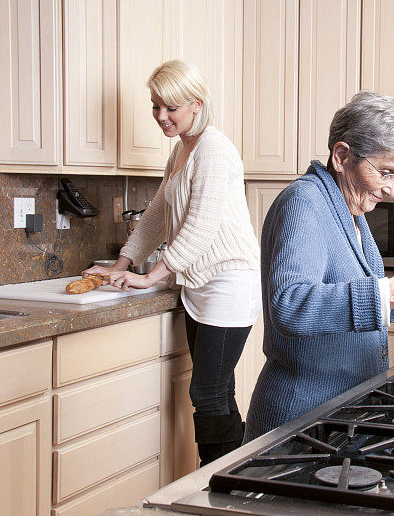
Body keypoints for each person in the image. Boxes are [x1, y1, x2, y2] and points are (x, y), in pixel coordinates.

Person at [243, 92, 394, 441]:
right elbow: (291, 305)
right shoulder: (304, 204)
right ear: (342, 156)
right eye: (385, 172)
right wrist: (392, 291)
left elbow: (357, 310)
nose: (391, 189)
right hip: (299, 418)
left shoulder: (349, 210)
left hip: (339, 414)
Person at [83, 60, 261, 466]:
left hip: (228, 282)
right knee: (216, 390)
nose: (161, 117)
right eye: (155, 107)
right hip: (201, 283)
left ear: (197, 105)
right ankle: (232, 476)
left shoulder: (215, 150)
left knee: (208, 391)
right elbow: (157, 217)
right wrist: (122, 262)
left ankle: (215, 481)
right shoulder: (182, 151)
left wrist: (151, 277)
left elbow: (199, 226)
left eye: (171, 108)